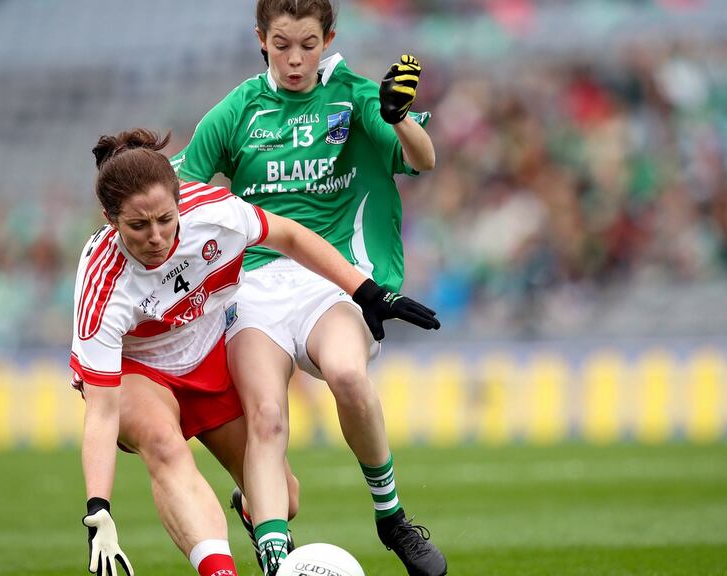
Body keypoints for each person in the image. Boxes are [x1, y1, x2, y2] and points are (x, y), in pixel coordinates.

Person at [72, 128, 440, 576]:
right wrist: (99, 511)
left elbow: (289, 236)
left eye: (166, 219)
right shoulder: (102, 284)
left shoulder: (213, 212)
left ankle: (251, 512)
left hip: (207, 357)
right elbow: (103, 412)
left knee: (284, 498)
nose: (156, 236)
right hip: (140, 371)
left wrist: (363, 291)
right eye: (138, 225)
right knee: (164, 444)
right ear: (110, 219)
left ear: (180, 200)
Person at [169, 1, 447, 574]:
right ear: (260, 39)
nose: (295, 59)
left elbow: (425, 158)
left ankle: (391, 517)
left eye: (308, 44)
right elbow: (179, 196)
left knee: (347, 374)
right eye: (281, 44)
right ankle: (276, 558)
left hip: (333, 279)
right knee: (267, 417)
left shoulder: (355, 93)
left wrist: (397, 116)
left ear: (330, 38)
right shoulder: (237, 110)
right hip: (251, 288)